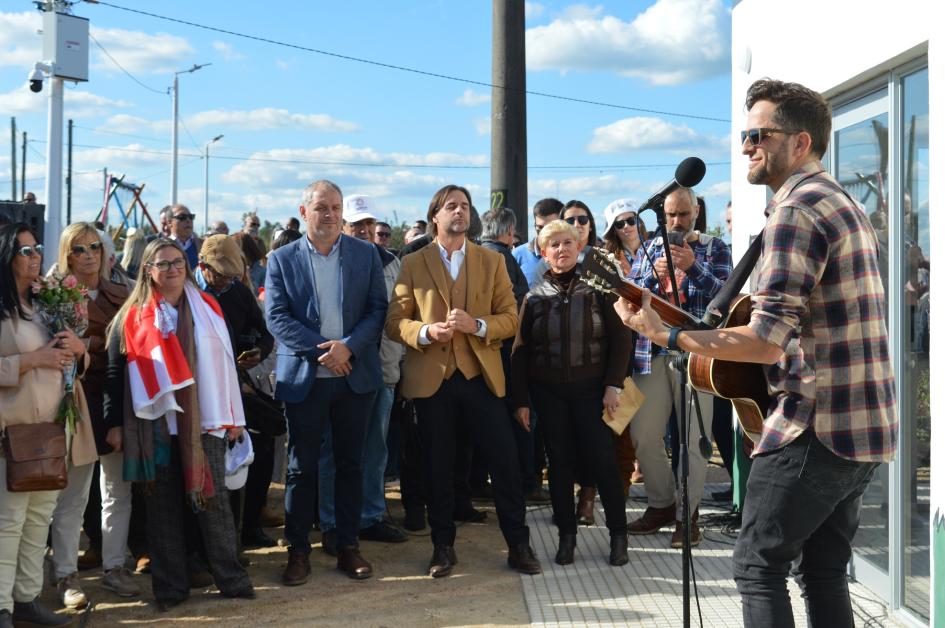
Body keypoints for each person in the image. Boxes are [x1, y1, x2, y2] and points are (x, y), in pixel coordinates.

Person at [617, 78, 897, 627]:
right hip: (862, 426)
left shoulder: (797, 211)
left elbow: (766, 345)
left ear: (799, 143)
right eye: (744, 134)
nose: (745, 145)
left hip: (814, 426)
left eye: (757, 134)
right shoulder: (838, 200)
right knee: (821, 571)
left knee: (755, 566)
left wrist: (667, 335)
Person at [385, 184, 541, 578]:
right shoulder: (413, 261)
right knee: (437, 467)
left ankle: (518, 545)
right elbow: (394, 321)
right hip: (432, 381)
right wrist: (425, 332)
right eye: (451, 206)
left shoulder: (491, 261)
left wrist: (478, 325)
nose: (460, 211)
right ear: (435, 215)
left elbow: (511, 318)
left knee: (504, 463)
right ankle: (443, 547)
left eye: (465, 206)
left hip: (481, 379)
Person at [104, 238, 254, 611]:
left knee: (214, 502)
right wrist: (114, 424)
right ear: (147, 270)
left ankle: (231, 579)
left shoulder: (208, 306)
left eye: (178, 262)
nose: (172, 269)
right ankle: (170, 588)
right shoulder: (131, 316)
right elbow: (114, 372)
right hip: (154, 424)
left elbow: (227, 364)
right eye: (163, 263)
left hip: (207, 421)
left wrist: (235, 417)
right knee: (162, 509)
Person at [265, 179, 387, 585]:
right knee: (301, 469)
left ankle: (348, 545)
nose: (331, 214)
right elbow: (277, 317)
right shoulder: (282, 259)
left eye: (336, 207)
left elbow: (376, 309)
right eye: (322, 207)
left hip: (354, 377)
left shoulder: (366, 254)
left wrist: (348, 348)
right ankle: (298, 551)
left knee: (351, 464)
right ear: (304, 213)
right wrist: (325, 350)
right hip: (306, 379)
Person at [511, 219, 633, 566]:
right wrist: (520, 400)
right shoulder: (533, 297)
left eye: (568, 242)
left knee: (603, 462)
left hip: (593, 393)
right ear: (544, 253)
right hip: (549, 395)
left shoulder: (598, 288)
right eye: (554, 245)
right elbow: (520, 351)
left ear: (580, 248)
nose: (562, 249)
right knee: (559, 466)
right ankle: (567, 537)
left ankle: (618, 536)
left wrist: (613, 385)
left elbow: (622, 338)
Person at [623, 187, 731, 548]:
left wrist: (692, 268)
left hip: (696, 356)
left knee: (694, 441)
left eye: (683, 214)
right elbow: (633, 295)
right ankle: (662, 504)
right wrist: (653, 279)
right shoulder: (650, 248)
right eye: (670, 215)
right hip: (652, 354)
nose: (675, 222)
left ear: (697, 211)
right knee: (643, 434)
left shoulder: (715, 248)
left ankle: (689, 516)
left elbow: (725, 300)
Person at [0, 224, 87, 628]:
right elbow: (33, 361)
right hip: (10, 432)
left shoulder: (49, 304)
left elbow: (71, 364)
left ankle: (26, 600)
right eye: (25, 250)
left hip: (52, 429)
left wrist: (79, 350)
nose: (35, 256)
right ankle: (1, 608)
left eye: (37, 248)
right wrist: (33, 360)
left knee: (39, 521)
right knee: (8, 523)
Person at [51, 223, 140, 608]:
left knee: (117, 490)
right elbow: (54, 347)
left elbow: (133, 342)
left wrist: (88, 344)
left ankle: (115, 566)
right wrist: (94, 347)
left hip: (116, 398)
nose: (88, 254)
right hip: (74, 401)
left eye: (94, 247)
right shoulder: (50, 295)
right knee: (73, 495)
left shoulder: (122, 293)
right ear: (66, 254)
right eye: (78, 248)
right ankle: (65, 575)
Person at [318, 195, 407, 555]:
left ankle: (370, 515)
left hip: (379, 372)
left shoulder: (391, 264)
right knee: (332, 452)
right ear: (343, 228)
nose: (366, 231)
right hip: (335, 371)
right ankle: (330, 521)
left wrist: (395, 368)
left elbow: (395, 318)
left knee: (375, 449)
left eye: (370, 224)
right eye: (358, 225)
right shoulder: (329, 261)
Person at [195, 236, 275, 549]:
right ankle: (205, 546)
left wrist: (257, 350)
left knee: (260, 449)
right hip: (201, 394)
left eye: (234, 275)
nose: (229, 281)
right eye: (222, 275)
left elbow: (263, 332)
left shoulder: (237, 291)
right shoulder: (186, 293)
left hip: (237, 387)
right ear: (203, 268)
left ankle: (249, 526)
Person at [478, 207, 545, 503]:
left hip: (485, 348)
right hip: (510, 350)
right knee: (522, 413)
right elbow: (519, 304)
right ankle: (526, 481)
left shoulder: (474, 255)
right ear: (508, 232)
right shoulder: (501, 258)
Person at [601, 198, 649, 491]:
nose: (628, 227)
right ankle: (620, 487)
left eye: (632, 220)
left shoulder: (656, 250)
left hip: (652, 345)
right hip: (622, 346)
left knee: (648, 424)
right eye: (620, 223)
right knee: (621, 420)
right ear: (613, 230)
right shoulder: (606, 259)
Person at [512, 198, 563, 289]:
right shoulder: (518, 255)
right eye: (540, 227)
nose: (545, 233)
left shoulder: (572, 255)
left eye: (550, 227)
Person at [166, 204, 202, 269]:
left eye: (191, 217)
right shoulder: (162, 246)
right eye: (182, 217)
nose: (188, 220)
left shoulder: (203, 245)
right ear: (169, 222)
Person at [241, 214, 267, 289]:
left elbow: (263, 261)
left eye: (258, 225)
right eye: (253, 224)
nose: (256, 227)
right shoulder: (236, 239)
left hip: (257, 275)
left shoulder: (260, 242)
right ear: (245, 225)